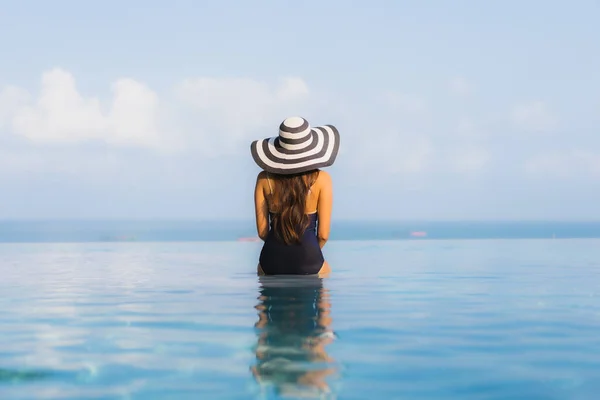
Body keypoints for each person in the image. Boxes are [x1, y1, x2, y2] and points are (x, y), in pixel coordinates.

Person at [250, 116, 340, 276]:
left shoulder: (264, 179)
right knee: (324, 290)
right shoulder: (323, 179)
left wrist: (283, 252)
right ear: (311, 148)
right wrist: (305, 253)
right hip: (309, 256)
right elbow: (323, 235)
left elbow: (263, 232)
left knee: (264, 296)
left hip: (271, 258)